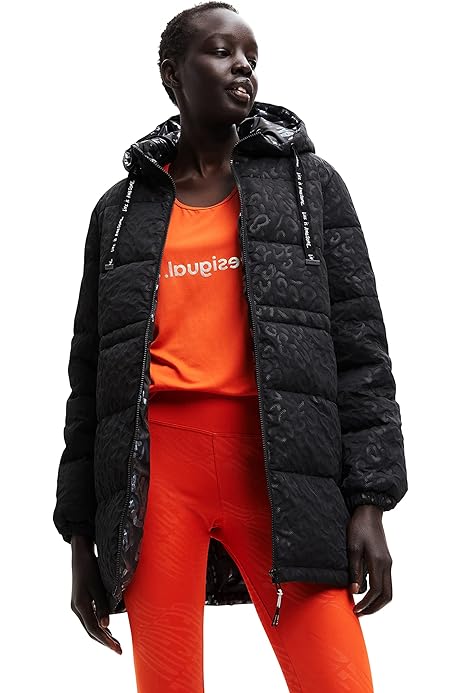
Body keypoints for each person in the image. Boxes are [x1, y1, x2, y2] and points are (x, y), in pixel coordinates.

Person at [52, 2, 408, 691]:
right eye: (221, 51)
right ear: (173, 74)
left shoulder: (309, 187)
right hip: (157, 480)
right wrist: (79, 540)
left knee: (338, 678)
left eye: (251, 56)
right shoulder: (120, 212)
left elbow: (363, 353)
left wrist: (370, 500)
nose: (242, 65)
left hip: (281, 473)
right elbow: (89, 382)